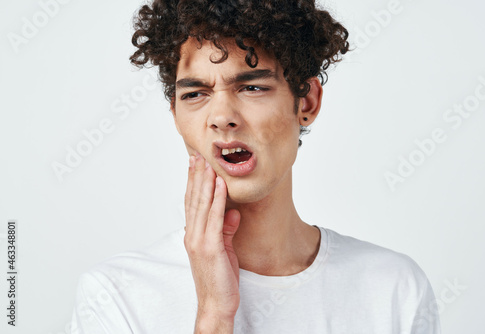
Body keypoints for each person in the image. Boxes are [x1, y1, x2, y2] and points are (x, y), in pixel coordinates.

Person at [71, 0, 441, 333]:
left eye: (251, 88)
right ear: (175, 114)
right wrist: (214, 315)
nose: (221, 117)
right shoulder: (116, 297)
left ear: (306, 102)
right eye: (195, 94)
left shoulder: (393, 288)